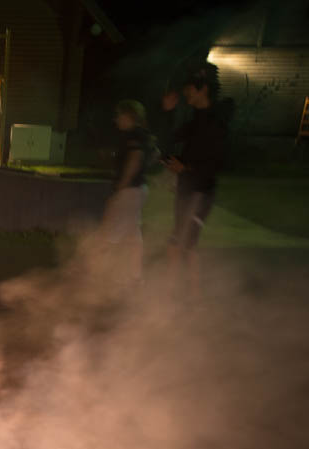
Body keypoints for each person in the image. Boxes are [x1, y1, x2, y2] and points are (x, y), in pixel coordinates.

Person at [160, 62, 231, 298]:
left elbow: (216, 164)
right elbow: (170, 139)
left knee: (184, 244)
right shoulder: (197, 118)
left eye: (189, 88)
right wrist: (168, 112)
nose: (184, 92)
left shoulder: (216, 121)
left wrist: (186, 169)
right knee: (178, 243)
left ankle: (192, 296)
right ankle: (179, 294)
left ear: (202, 89)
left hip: (200, 191)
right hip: (186, 188)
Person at [97, 100, 155, 286]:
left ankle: (101, 274)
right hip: (139, 189)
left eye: (118, 115)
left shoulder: (133, 135)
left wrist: (122, 184)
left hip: (129, 190)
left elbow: (135, 158)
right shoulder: (143, 134)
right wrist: (143, 171)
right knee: (132, 234)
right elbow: (156, 154)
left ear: (128, 116)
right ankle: (136, 277)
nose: (116, 120)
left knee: (110, 231)